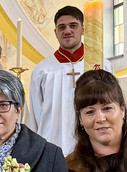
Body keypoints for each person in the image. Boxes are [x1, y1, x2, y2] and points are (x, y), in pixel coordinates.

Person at [27, 6, 112, 155]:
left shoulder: (101, 65)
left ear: (83, 29)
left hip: (94, 147)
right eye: (62, 27)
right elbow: (35, 116)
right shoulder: (42, 71)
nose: (67, 31)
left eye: (73, 26)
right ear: (55, 32)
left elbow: (111, 106)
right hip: (52, 146)